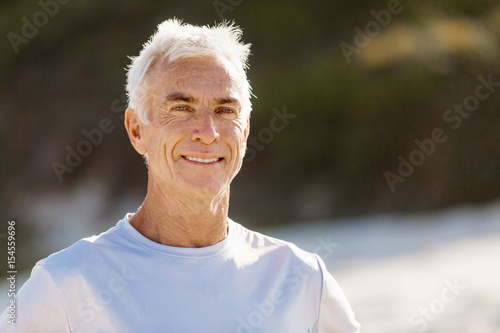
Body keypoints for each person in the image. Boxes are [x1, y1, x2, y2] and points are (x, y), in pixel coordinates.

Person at [0, 19, 360, 332]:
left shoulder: (302, 279)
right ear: (137, 130)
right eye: (181, 108)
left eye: (225, 110)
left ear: (246, 130)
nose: (207, 131)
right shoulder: (65, 284)